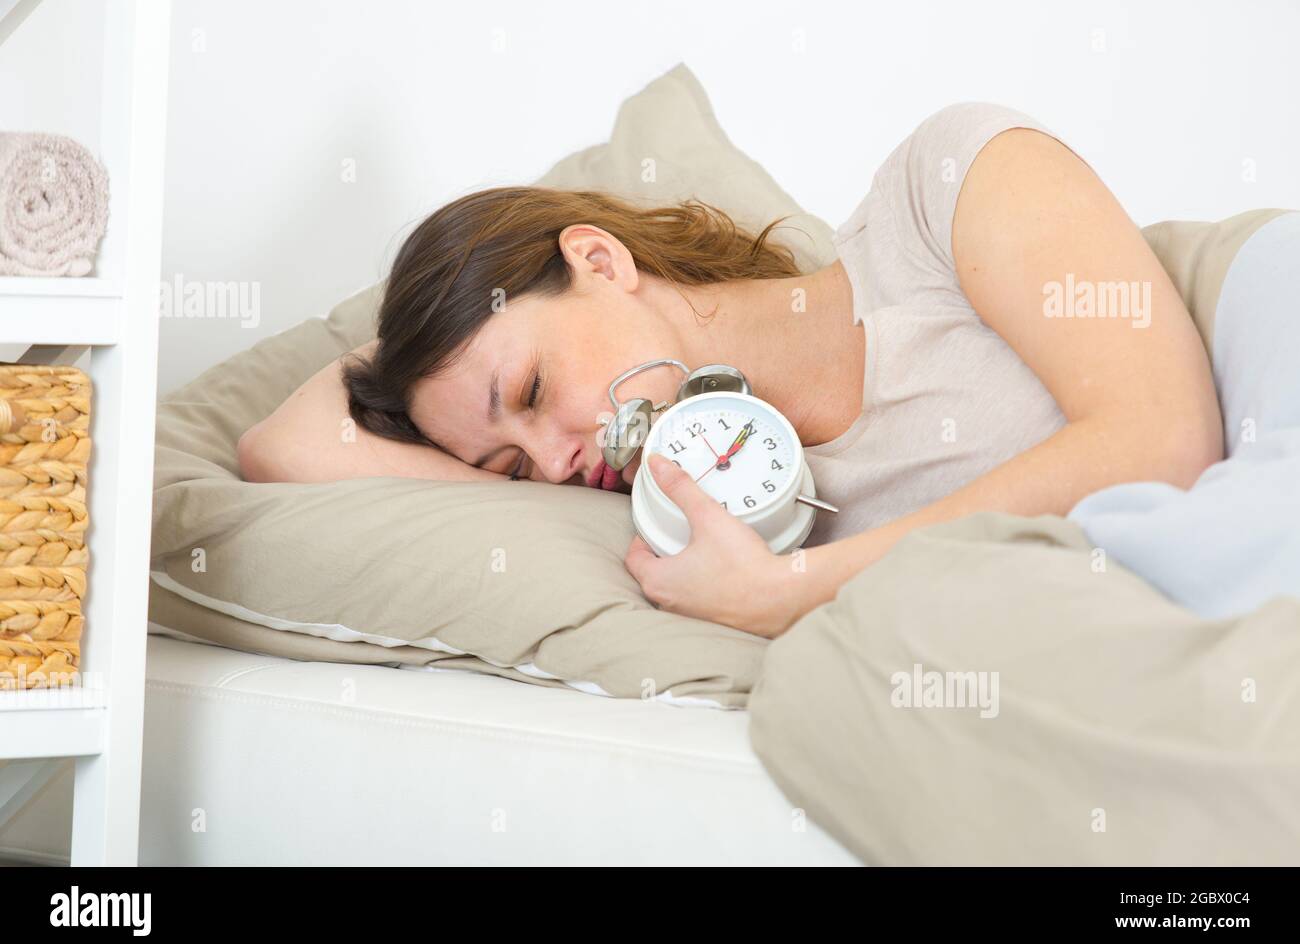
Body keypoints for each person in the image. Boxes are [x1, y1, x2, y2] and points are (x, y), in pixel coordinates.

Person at [237, 102, 1222, 638]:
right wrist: (418, 363)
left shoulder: (940, 192)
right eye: (507, 468)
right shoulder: (690, 511)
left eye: (531, 391)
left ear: (599, 259)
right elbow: (275, 447)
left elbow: (1164, 436)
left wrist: (801, 585)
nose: (553, 457)